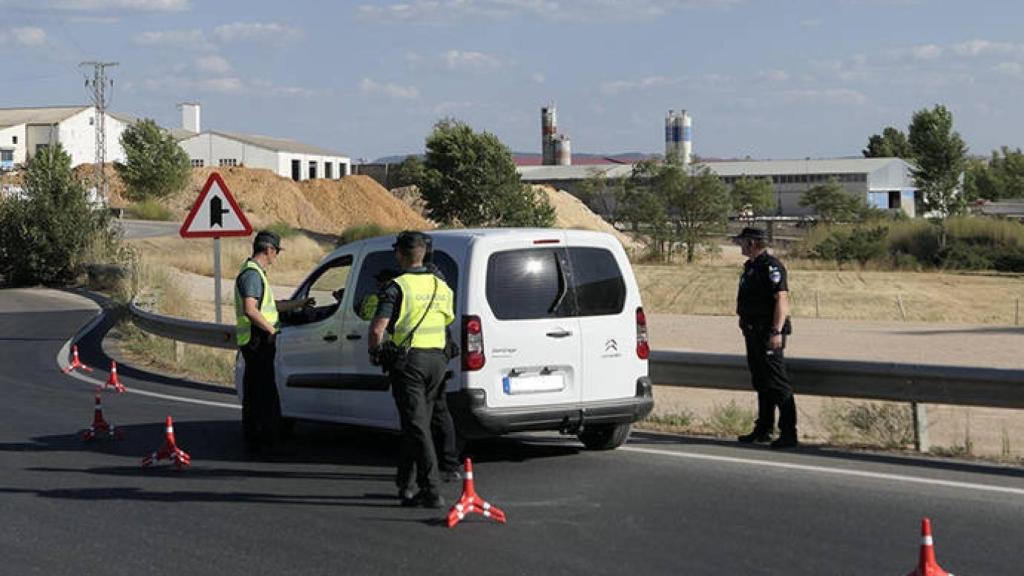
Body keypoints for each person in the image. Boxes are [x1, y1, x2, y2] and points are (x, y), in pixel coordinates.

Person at [368, 231, 455, 508]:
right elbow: (446, 319)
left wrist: (375, 351)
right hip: (438, 361)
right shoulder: (441, 284)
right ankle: (406, 484)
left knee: (417, 426)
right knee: (415, 423)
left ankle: (431, 489)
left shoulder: (397, 286)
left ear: (400, 255)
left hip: (410, 364)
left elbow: (378, 327)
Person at [234, 230, 313, 450]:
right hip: (257, 340)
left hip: (256, 339)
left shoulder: (255, 273)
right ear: (269, 250)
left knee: (255, 391)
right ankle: (267, 441)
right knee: (264, 392)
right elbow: (251, 310)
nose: (276, 256)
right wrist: (272, 330)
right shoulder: (252, 275)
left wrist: (298, 304)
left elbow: (269, 306)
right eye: (276, 252)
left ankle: (257, 438)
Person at [733, 227, 798, 449]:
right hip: (753, 332)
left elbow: (781, 300)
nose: (740, 245)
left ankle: (789, 432)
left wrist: (776, 331)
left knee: (777, 382)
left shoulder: (771, 267)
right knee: (761, 381)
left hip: (768, 333)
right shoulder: (751, 267)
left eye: (743, 241)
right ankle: (764, 428)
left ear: (752, 243)